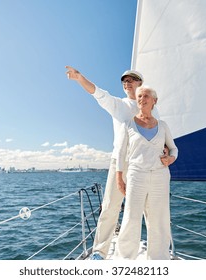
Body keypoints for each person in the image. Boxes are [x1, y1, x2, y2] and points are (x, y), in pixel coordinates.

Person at [65, 65, 160, 260]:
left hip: (146, 163)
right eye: (125, 80)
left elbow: (159, 134)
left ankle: (155, 253)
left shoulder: (153, 109)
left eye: (132, 79)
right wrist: (80, 78)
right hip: (121, 163)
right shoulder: (119, 105)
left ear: (141, 83)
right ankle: (100, 251)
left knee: (150, 209)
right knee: (110, 207)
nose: (127, 82)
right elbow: (97, 93)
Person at [115, 85, 178, 260]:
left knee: (159, 219)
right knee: (131, 218)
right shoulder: (128, 124)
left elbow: (174, 149)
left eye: (146, 96)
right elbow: (120, 153)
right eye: (139, 96)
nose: (141, 99)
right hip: (136, 175)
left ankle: (158, 260)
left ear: (154, 101)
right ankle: (125, 260)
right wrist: (119, 178)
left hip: (160, 176)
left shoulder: (163, 126)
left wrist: (170, 159)